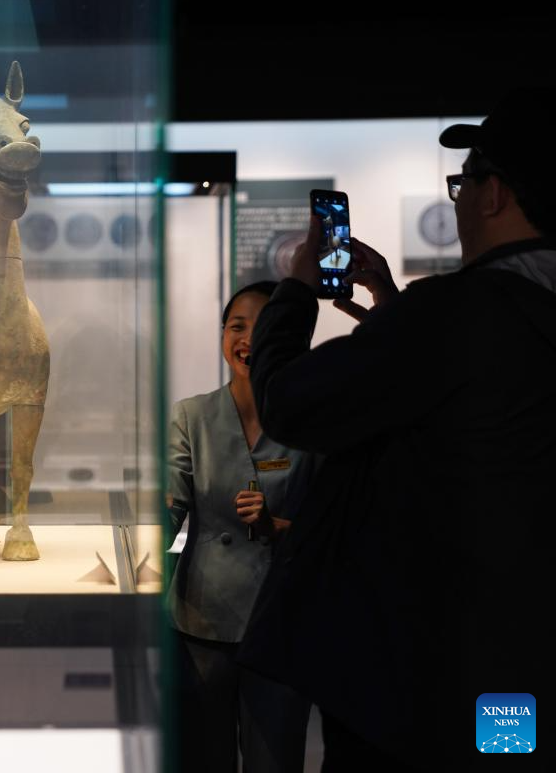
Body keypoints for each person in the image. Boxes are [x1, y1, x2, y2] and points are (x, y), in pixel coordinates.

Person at [238, 90, 555, 771]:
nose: (458, 201)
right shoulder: (508, 311)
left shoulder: (454, 313)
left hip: (420, 678)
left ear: (494, 194)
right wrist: (393, 314)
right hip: (517, 662)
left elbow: (289, 404)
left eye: (463, 183)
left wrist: (296, 290)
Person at [168, 281, 318, 773]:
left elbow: (333, 525)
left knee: (275, 759)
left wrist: (281, 527)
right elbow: (170, 503)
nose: (248, 339)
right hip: (202, 622)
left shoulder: (314, 423)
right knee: (202, 758)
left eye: (265, 326)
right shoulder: (192, 416)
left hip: (282, 624)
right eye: (237, 326)